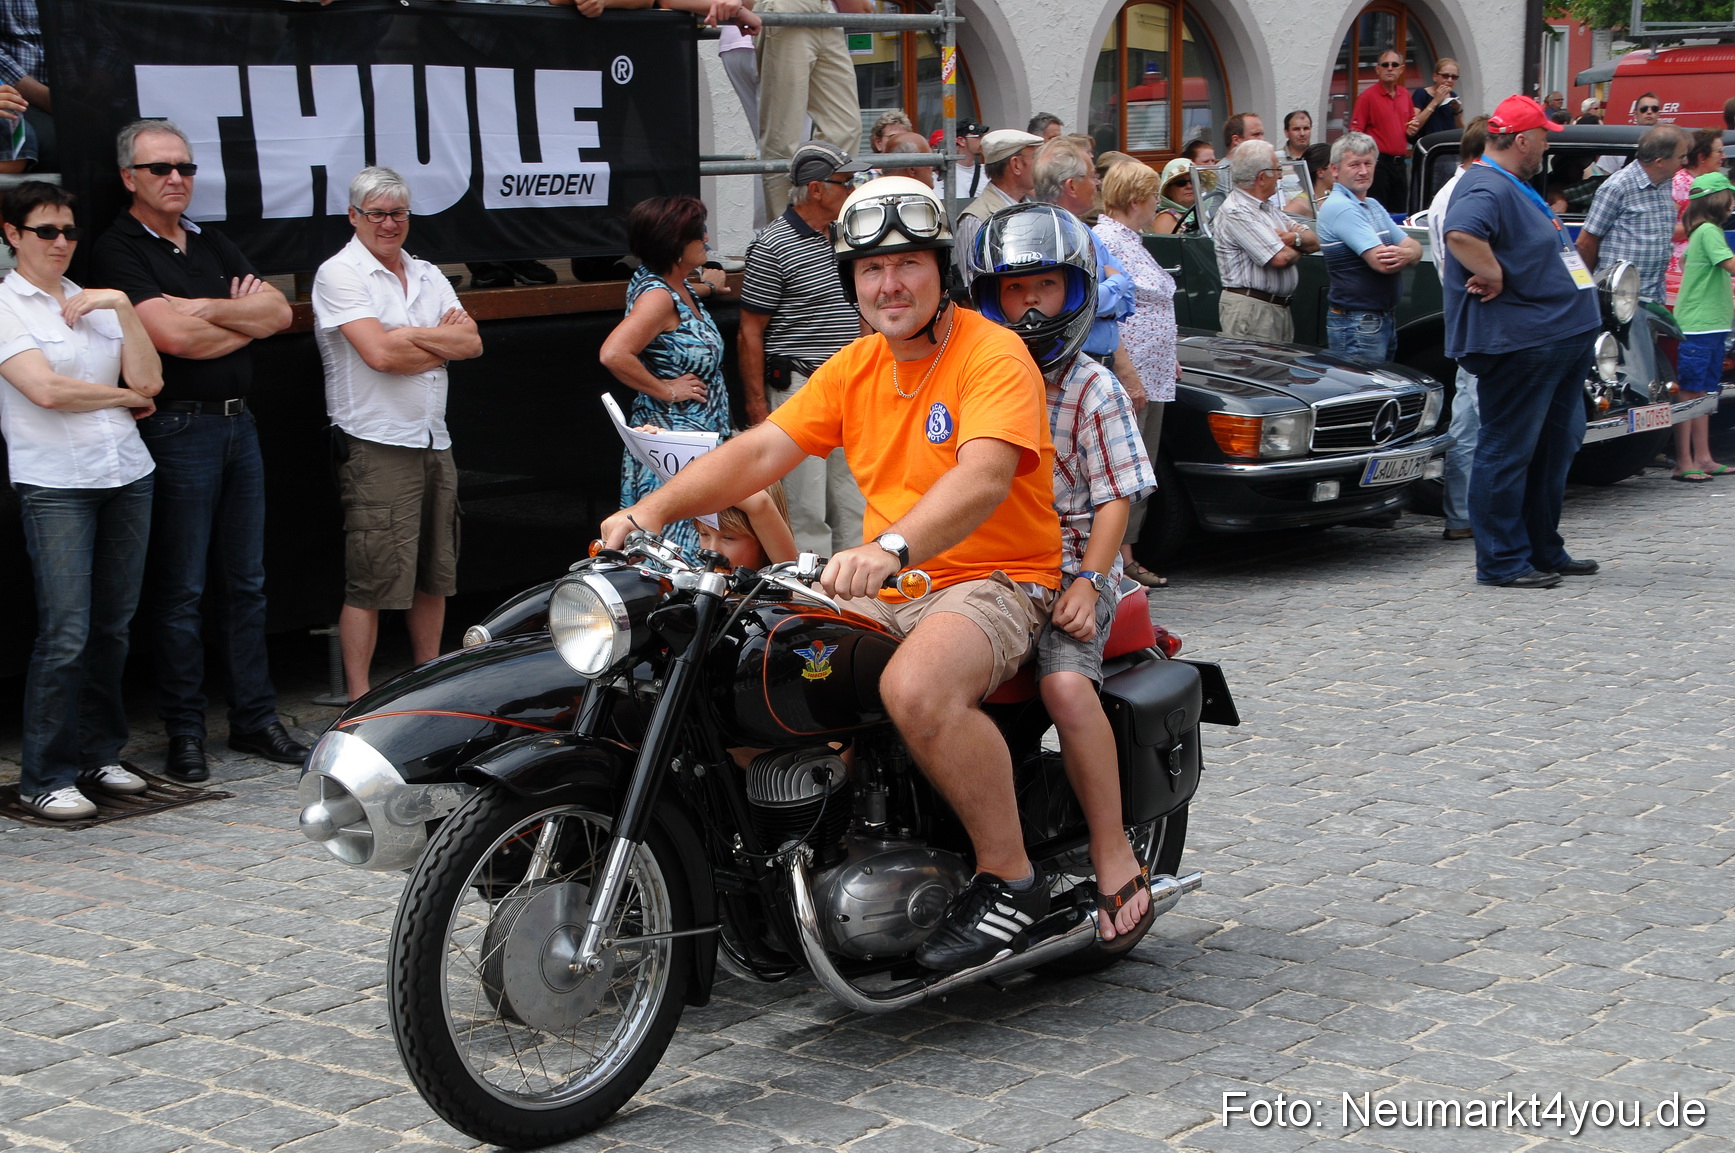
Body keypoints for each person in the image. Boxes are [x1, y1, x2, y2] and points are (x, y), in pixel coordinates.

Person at [601, 177, 1063, 972]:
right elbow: (758, 450)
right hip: (893, 586)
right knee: (745, 666)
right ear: (851, 281)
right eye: (870, 269)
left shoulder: (993, 352)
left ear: (941, 270)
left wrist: (891, 547)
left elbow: (984, 476)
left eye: (908, 264)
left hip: (995, 576)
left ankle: (1010, 877)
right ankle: (796, 857)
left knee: (915, 689)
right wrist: (648, 511)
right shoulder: (855, 366)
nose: (889, 285)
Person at [92, 119, 307, 781]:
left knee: (247, 584)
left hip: (241, 426)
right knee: (181, 590)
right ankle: (185, 732)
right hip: (178, 431)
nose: (176, 178)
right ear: (129, 177)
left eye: (184, 166)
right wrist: (235, 315)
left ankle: (255, 719)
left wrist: (202, 308)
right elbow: (171, 340)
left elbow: (279, 313)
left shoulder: (211, 240)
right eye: (160, 168)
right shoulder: (116, 248)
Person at [969, 203, 1157, 949]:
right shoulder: (978, 380)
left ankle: (1112, 850)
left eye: (1045, 286)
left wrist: (1086, 581)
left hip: (1074, 568)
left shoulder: (1090, 386)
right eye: (1014, 290)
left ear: (1075, 290)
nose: (1030, 306)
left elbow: (1116, 498)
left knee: (1066, 687)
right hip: (987, 570)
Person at [0, 182, 162, 820]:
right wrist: (123, 398)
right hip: (56, 481)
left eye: (69, 231)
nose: (61, 242)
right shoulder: (6, 305)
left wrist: (122, 305)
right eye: (46, 231)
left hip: (126, 471)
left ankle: (100, 753)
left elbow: (150, 378)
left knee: (113, 627)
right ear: (12, 235)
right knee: (66, 631)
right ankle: (45, 775)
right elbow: (45, 391)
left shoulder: (96, 300)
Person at [312, 167, 483, 700]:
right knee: (372, 578)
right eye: (377, 214)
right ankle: (359, 700)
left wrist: (407, 335)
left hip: (434, 438)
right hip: (376, 442)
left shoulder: (427, 273)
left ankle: (427, 685)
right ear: (353, 216)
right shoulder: (339, 274)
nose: (389, 224)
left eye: (399, 213)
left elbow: (473, 343)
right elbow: (380, 356)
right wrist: (434, 344)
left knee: (435, 572)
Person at [1440, 95, 1601, 589]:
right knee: (1507, 451)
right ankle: (1502, 561)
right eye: (1544, 137)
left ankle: (1541, 548)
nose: (1548, 146)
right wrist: (1492, 273)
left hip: (1554, 337)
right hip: (1523, 342)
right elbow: (1461, 233)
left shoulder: (1511, 183)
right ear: (1522, 141)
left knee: (1553, 448)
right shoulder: (1485, 184)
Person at [738, 142, 869, 555]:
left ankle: (862, 586)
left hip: (850, 385)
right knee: (806, 507)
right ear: (816, 189)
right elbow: (749, 332)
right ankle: (814, 590)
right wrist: (758, 407)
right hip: (799, 387)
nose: (853, 190)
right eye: (845, 182)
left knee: (855, 500)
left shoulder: (847, 236)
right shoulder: (772, 245)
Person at [600, 195, 734, 561]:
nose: (706, 238)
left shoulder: (672, 286)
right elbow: (613, 353)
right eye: (699, 232)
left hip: (693, 442)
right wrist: (667, 390)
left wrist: (709, 287)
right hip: (675, 447)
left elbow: (676, 303)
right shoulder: (658, 297)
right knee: (678, 553)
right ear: (675, 243)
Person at [1094, 162, 1179, 589]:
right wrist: (1129, 374)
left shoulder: (1130, 239)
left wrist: (1170, 354)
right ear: (1133, 201)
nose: (1157, 205)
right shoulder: (1108, 239)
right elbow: (1113, 314)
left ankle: (1126, 555)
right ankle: (1118, 560)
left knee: (1143, 466)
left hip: (1153, 369)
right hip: (1134, 372)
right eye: (1152, 197)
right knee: (1128, 467)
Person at [1424, 115, 1489, 543]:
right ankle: (1463, 511)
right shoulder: (1458, 195)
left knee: (1475, 413)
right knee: (1473, 414)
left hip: (1474, 313)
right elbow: (1463, 261)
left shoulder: (1464, 190)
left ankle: (1467, 510)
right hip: (1473, 312)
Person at [1032, 138, 1137, 401]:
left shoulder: (1085, 232)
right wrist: (1114, 286)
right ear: (1071, 186)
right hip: (1070, 367)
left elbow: (1128, 296)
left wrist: (1107, 299)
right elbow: (1078, 303)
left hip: (1096, 362)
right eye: (1092, 176)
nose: (1097, 184)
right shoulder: (1049, 235)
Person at [756, 0, 873, 214]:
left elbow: (863, 9)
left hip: (825, 10)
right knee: (782, 138)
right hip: (787, 7)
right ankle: (788, 228)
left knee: (845, 128)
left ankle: (823, 216)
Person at [1316, 131, 1422, 364]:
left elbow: (1414, 247)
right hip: (1357, 322)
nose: (1363, 171)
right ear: (1334, 169)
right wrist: (1409, 254)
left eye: (1368, 163)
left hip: (1376, 319)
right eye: (1354, 164)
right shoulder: (1340, 207)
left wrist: (1407, 253)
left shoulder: (1372, 205)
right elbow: (1382, 263)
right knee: (1361, 387)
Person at [1213, 140, 1319, 341]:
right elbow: (1280, 258)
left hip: (1275, 308)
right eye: (1277, 170)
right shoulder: (1236, 211)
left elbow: (1314, 241)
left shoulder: (1268, 207)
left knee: (1279, 362)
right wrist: (1299, 245)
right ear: (1262, 177)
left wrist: (1293, 239)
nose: (1280, 176)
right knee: (1255, 363)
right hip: (1252, 310)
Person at [1669, 173, 1735, 481]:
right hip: (1700, 324)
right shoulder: (1709, 231)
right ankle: (1685, 461)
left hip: (1710, 323)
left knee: (1704, 392)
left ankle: (1703, 457)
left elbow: (1688, 264)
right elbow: (1729, 265)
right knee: (1691, 392)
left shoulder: (1703, 231)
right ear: (1718, 201)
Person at [1576, 125, 1689, 303]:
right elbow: (1585, 242)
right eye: (1681, 157)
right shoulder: (1618, 186)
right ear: (1660, 162)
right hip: (1619, 301)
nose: (1685, 161)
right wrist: (1587, 290)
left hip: (1653, 297)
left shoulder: (1665, 184)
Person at [955, 128, 1042, 290]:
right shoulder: (977, 219)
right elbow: (973, 287)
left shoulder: (1034, 210)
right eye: (1035, 157)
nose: (1039, 165)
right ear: (1016, 164)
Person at [1664, 129, 1724, 306]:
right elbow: (1666, 229)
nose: (1723, 157)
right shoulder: (1679, 183)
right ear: (1701, 157)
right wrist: (1701, 224)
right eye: (1719, 152)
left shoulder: (1711, 184)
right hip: (1680, 270)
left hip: (1702, 262)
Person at [1349, 48, 1413, 210]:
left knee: (1399, 212)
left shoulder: (1405, 95)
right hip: (1379, 165)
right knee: (1378, 210)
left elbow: (1410, 128)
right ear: (1377, 69)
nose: (1390, 68)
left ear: (1401, 69)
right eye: (1385, 65)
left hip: (1400, 164)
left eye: (1394, 65)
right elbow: (1355, 134)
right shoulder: (1367, 97)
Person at [1409, 58, 1463, 139]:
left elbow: (1460, 131)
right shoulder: (1422, 94)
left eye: (1454, 77)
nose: (1450, 80)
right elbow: (1413, 126)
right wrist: (1435, 101)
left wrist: (1457, 112)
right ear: (1435, 77)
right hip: (1427, 143)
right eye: (1445, 76)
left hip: (1446, 143)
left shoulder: (1453, 96)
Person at [1152, 157, 1195, 234]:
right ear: (1168, 190)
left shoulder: (1197, 212)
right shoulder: (1166, 218)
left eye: (1193, 181)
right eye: (1181, 182)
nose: (1189, 186)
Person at [950, 120, 988, 201]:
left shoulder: (987, 171)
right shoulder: (946, 174)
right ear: (961, 141)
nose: (983, 141)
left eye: (983, 136)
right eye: (978, 136)